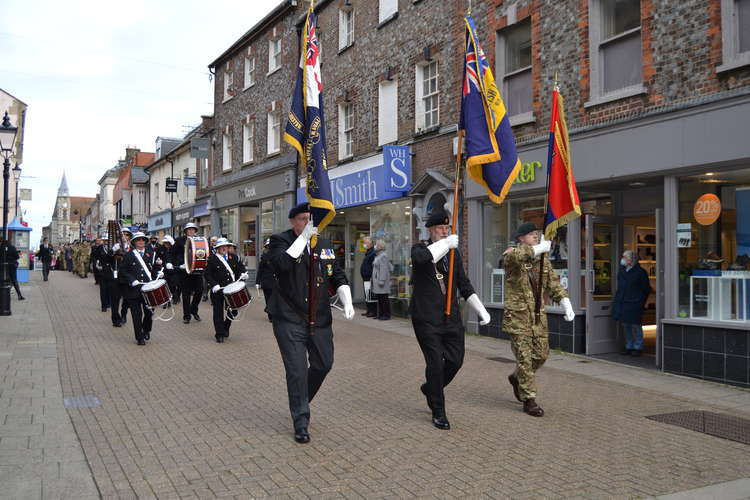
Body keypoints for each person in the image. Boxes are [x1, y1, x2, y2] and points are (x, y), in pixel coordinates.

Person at [266, 203, 354, 443]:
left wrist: (346, 298)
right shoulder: (279, 241)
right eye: (303, 219)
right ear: (293, 221)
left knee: (324, 364)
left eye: (311, 219)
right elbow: (281, 265)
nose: (308, 223)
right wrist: (303, 239)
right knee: (296, 371)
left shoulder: (324, 245)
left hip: (320, 318)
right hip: (289, 318)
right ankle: (301, 421)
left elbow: (335, 273)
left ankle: (300, 399)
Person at [410, 211, 490, 430]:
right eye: (440, 229)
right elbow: (423, 258)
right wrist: (446, 243)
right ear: (430, 230)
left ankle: (431, 388)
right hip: (426, 318)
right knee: (435, 363)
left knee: (455, 361)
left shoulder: (453, 254)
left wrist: (481, 309)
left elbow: (464, 284)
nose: (445, 232)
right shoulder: (420, 249)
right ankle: (438, 410)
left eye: (447, 229)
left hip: (450, 317)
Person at [502, 223, 575, 417]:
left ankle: (517, 378)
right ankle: (529, 399)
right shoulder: (511, 255)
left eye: (537, 234)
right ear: (521, 238)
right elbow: (517, 257)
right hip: (518, 317)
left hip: (537, 317)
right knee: (524, 359)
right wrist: (540, 248)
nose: (535, 236)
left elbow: (552, 282)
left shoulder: (542, 259)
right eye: (531, 234)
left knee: (541, 355)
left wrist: (566, 303)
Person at [120, 231, 161, 345]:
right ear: (134, 242)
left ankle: (146, 330)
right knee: (136, 314)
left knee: (149, 313)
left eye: (143, 239)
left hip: (148, 290)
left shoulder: (151, 254)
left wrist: (158, 272)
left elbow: (154, 268)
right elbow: (123, 270)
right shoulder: (129, 255)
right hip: (134, 290)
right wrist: (131, 280)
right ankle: (139, 337)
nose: (141, 242)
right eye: (138, 240)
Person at [205, 238, 248, 343]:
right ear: (218, 248)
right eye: (221, 247)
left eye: (226, 246)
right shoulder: (212, 259)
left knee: (234, 310)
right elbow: (207, 274)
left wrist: (244, 274)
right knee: (218, 312)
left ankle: (226, 326)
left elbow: (241, 269)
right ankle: (219, 334)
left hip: (232, 290)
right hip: (218, 290)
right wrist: (214, 284)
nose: (224, 248)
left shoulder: (234, 257)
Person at [612, 250, 652, 357]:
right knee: (626, 325)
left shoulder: (640, 272)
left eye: (624, 257)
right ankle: (629, 346)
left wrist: (640, 301)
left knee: (636, 325)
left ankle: (638, 347)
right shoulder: (622, 271)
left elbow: (646, 289)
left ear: (631, 260)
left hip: (635, 303)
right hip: (623, 302)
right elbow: (620, 287)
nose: (623, 259)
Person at [171, 222, 204, 324]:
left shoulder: (200, 240)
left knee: (199, 291)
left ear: (195, 231)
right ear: (185, 231)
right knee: (186, 294)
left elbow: (206, 253)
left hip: (197, 271)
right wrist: (179, 264)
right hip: (184, 271)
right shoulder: (179, 240)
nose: (191, 231)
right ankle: (187, 316)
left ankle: (194, 310)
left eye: (193, 229)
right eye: (189, 229)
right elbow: (172, 254)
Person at [371, 239, 392, 320]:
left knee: (384, 299)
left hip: (381, 281)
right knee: (380, 298)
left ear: (380, 246)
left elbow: (383, 269)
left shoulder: (383, 256)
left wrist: (381, 280)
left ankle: (386, 314)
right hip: (377, 280)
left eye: (376, 244)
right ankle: (380, 314)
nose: (375, 246)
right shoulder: (378, 255)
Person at [256, 238, 275, 322]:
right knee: (268, 299)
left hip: (275, 282)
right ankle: (271, 316)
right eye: (268, 246)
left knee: (274, 299)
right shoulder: (264, 257)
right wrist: (257, 282)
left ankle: (273, 313)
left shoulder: (278, 256)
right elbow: (260, 270)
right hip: (266, 282)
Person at [158, 235, 180, 305]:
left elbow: (178, 258)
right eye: (165, 243)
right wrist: (161, 263)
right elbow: (158, 258)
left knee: (173, 286)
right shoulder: (161, 249)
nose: (166, 244)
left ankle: (175, 298)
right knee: (164, 286)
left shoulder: (175, 249)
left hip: (173, 270)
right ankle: (167, 302)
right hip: (164, 270)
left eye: (168, 242)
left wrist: (173, 265)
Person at [360, 237, 377, 317]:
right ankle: (369, 310)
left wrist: (372, 276)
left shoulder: (372, 252)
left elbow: (373, 266)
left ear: (370, 243)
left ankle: (372, 311)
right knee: (367, 294)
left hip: (369, 277)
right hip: (366, 277)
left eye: (365, 243)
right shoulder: (368, 252)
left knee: (370, 294)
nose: (364, 244)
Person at [91, 239, 110, 312]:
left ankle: (109, 303)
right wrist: (97, 263)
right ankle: (104, 306)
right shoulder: (100, 247)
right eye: (105, 240)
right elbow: (95, 256)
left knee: (110, 290)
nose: (106, 241)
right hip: (103, 271)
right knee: (103, 289)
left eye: (107, 240)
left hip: (111, 272)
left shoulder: (114, 246)